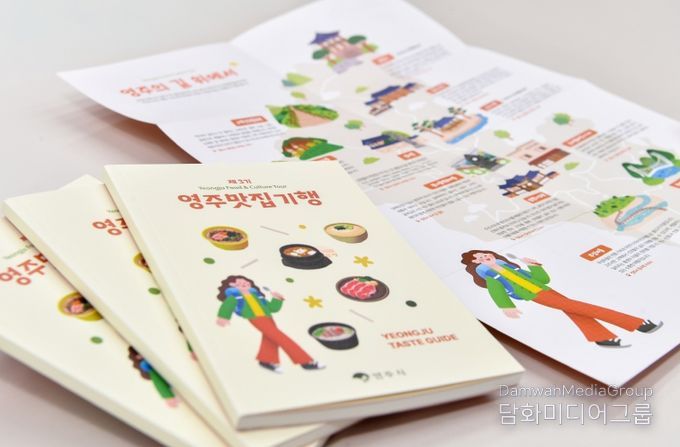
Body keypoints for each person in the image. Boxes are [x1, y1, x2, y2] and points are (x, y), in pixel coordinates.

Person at [460, 250, 663, 348]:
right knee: (587, 308)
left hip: (545, 290)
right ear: (477, 265)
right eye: (479, 259)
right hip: (535, 296)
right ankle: (639, 324)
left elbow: (543, 280)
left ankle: (602, 338)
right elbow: (496, 291)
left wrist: (533, 266)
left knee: (575, 310)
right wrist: (506, 306)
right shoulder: (492, 276)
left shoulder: (512, 268)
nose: (484, 258)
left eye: (485, 254)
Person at [216, 275, 324, 373]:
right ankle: (305, 361)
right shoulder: (235, 297)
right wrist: (223, 317)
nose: (244, 284)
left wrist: (277, 299)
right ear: (232, 286)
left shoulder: (257, 296)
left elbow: (272, 308)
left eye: (245, 282)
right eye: (239, 283)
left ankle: (266, 360)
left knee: (270, 338)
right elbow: (227, 306)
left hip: (268, 317)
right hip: (255, 318)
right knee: (281, 338)